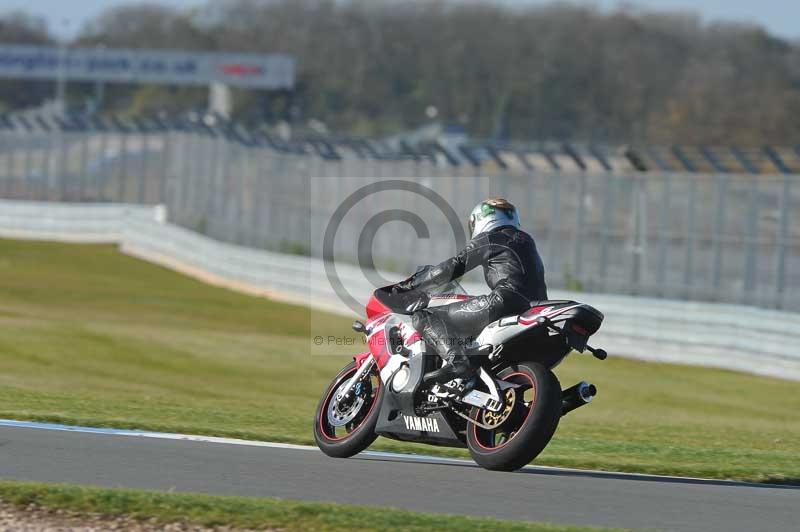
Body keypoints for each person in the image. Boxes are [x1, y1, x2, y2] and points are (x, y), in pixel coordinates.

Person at [394, 198, 548, 384]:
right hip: (533, 308)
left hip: (503, 302)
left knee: (424, 316)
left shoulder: (490, 238)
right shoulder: (526, 241)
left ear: (482, 219)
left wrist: (412, 284)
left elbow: (454, 266)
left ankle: (457, 362)